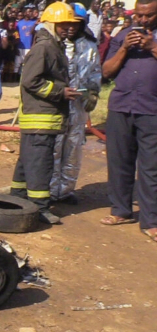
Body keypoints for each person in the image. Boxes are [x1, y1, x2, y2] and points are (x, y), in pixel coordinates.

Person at [10, 2, 82, 225]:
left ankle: (18, 198)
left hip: (42, 119)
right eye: (62, 24)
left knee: (29, 161)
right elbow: (31, 81)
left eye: (70, 24)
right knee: (40, 164)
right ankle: (39, 208)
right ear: (51, 24)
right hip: (41, 118)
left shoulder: (52, 45)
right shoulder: (44, 47)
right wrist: (61, 92)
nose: (67, 28)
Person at [100, 0, 157, 241]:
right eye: (139, 16)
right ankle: (121, 210)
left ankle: (151, 220)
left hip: (152, 110)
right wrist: (124, 48)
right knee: (119, 161)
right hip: (121, 107)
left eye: (149, 16)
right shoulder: (122, 35)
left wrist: (153, 46)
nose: (143, 21)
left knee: (151, 167)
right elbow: (107, 72)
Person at [50, 3, 102, 204]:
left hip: (79, 107)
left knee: (73, 148)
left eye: (76, 24)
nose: (71, 28)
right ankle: (49, 190)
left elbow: (95, 71)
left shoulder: (90, 46)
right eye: (67, 23)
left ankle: (65, 190)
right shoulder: (53, 44)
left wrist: (94, 92)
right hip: (57, 105)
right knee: (55, 147)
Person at [15, 6, 36, 75]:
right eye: (28, 11)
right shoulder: (19, 23)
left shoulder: (34, 22)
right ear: (24, 13)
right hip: (20, 46)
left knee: (27, 63)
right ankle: (15, 78)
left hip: (29, 46)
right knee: (17, 63)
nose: (30, 13)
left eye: (31, 11)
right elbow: (16, 33)